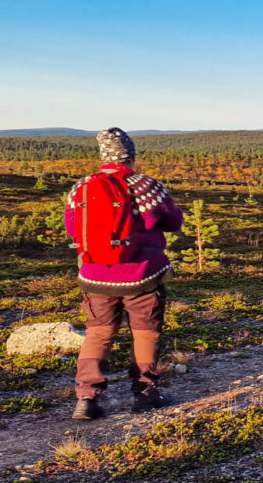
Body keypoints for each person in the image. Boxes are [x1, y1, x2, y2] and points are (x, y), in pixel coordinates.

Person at [65, 128, 183, 420]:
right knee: (144, 333)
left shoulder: (81, 187)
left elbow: (72, 227)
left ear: (103, 155)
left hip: (95, 275)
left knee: (98, 333)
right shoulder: (145, 186)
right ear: (130, 155)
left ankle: (86, 398)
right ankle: (144, 392)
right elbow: (173, 220)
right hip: (142, 275)